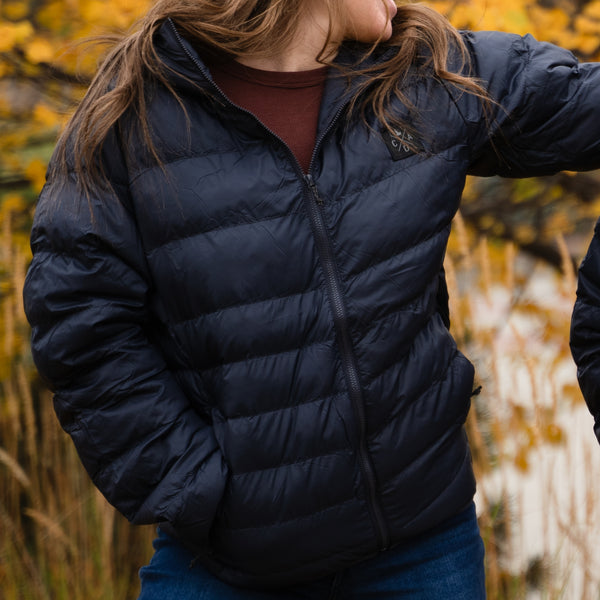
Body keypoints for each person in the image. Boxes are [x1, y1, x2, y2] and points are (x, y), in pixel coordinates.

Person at [22, 0, 600, 597]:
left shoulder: (426, 73)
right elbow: (78, 322)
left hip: (424, 554)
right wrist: (194, 489)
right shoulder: (135, 109)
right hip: (228, 569)